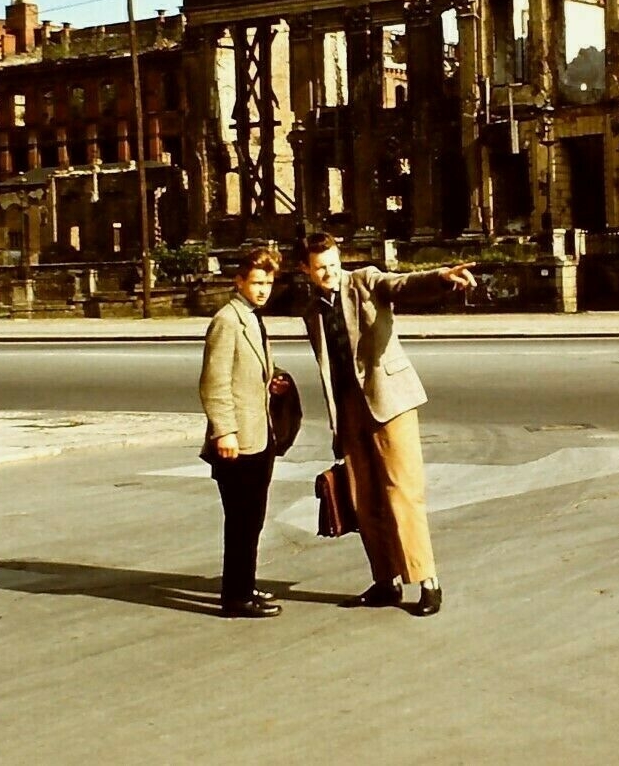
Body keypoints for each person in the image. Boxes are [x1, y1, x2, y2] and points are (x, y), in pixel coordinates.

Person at [299, 231, 476, 617]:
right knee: (365, 499)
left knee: (402, 491)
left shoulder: (363, 281)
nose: (328, 273)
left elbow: (400, 284)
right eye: (319, 269)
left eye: (332, 264)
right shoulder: (310, 309)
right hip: (348, 410)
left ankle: (428, 582)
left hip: (389, 400)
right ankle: (386, 581)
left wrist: (442, 277)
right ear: (306, 270)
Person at [199, 247, 292, 619]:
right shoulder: (227, 320)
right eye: (256, 282)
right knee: (240, 520)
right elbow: (213, 382)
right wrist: (224, 431)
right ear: (239, 282)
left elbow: (246, 372)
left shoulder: (252, 318)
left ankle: (245, 584)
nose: (263, 289)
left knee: (252, 519)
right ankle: (235, 597)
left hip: (259, 434)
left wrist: (272, 381)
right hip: (237, 441)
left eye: (268, 283)